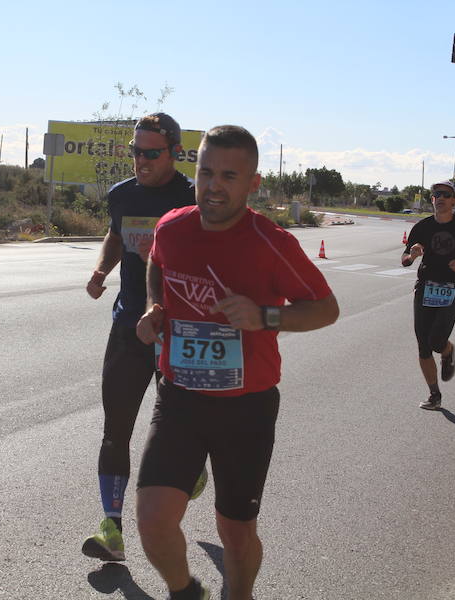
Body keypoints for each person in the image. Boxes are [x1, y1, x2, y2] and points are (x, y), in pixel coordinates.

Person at [135, 125, 339, 600]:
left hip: (245, 409)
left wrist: (265, 316)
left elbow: (326, 309)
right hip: (179, 398)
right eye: (206, 172)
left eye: (229, 175)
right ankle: (186, 592)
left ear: (253, 184)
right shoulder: (173, 227)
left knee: (236, 533)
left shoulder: (272, 243)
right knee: (151, 521)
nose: (214, 185)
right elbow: (157, 263)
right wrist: (155, 306)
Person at [82, 112, 205, 563]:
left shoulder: (194, 196)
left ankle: (193, 469)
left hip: (181, 330)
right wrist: (100, 270)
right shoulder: (121, 195)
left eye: (151, 152)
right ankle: (112, 528)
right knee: (116, 429)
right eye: (135, 151)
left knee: (181, 430)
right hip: (128, 324)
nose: (141, 160)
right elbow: (115, 237)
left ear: (174, 151)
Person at [402, 180, 455, 411]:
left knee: (437, 341)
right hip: (425, 287)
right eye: (436, 194)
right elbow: (405, 259)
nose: (440, 198)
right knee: (423, 346)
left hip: (450, 290)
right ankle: (434, 394)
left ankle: (448, 351)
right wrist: (412, 256)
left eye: (446, 195)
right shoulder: (422, 227)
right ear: (432, 200)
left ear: (454, 200)